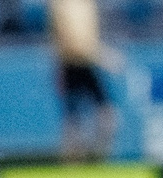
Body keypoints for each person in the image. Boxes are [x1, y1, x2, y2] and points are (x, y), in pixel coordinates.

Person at [50, 0, 119, 164]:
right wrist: (105, 57)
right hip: (74, 63)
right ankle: (79, 161)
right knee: (75, 120)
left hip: (82, 63)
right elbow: (75, 43)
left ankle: (92, 158)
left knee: (98, 116)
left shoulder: (84, 4)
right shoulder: (65, 5)